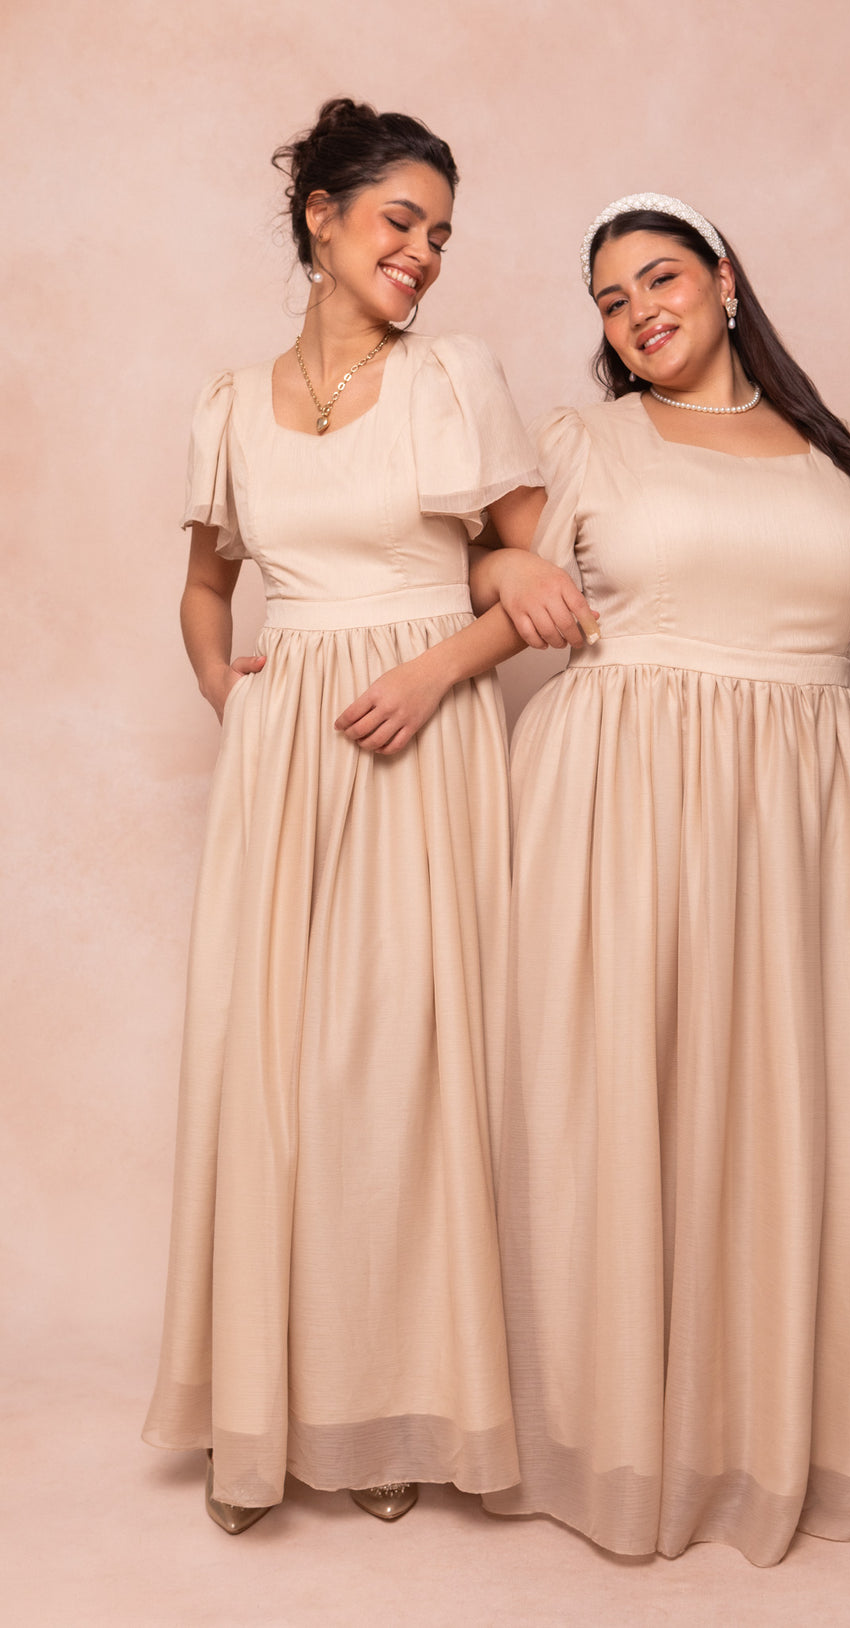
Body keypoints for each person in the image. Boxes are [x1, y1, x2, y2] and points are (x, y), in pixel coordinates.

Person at [474, 194, 850, 1565]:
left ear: (725, 279)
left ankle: (759, 1422)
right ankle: (610, 1432)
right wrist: (509, 554)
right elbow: (474, 552)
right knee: (621, 1105)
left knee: (772, 1102)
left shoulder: (836, 456)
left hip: (795, 823)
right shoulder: (584, 443)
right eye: (610, 303)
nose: (637, 315)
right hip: (614, 805)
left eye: (658, 280)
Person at [142, 98, 592, 1534]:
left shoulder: (452, 376)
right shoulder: (230, 401)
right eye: (401, 220)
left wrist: (432, 665)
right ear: (321, 218)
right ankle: (263, 1416)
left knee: (396, 1081)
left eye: (442, 233)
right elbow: (209, 589)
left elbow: (533, 577)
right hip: (294, 758)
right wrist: (240, 700)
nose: (425, 254)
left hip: (424, 735)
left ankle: (392, 1409)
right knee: (266, 1068)